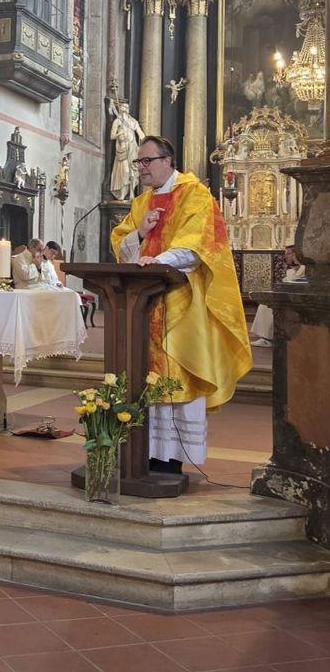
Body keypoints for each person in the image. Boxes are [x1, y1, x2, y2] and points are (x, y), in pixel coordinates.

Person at [111, 136, 252, 476]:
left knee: (177, 376)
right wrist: (140, 235)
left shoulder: (195, 194)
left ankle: (171, 457)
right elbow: (121, 243)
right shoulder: (141, 203)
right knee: (146, 376)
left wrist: (156, 262)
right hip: (142, 306)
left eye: (146, 161)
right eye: (138, 162)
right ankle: (144, 451)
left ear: (167, 160)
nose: (141, 168)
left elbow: (199, 245)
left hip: (180, 304)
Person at [250, 245, 305, 346]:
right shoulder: (291, 271)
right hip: (289, 299)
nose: (285, 257)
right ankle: (266, 338)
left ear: (295, 255)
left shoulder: (304, 269)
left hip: (299, 302)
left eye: (288, 254)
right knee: (265, 306)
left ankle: (268, 339)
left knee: (267, 307)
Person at [108, 99, 146, 200]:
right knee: (125, 171)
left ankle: (132, 193)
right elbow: (112, 136)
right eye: (122, 107)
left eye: (126, 107)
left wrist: (146, 142)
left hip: (133, 148)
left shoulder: (133, 122)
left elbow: (140, 134)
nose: (124, 109)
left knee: (133, 172)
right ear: (120, 109)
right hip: (123, 149)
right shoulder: (117, 121)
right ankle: (122, 194)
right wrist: (119, 134)